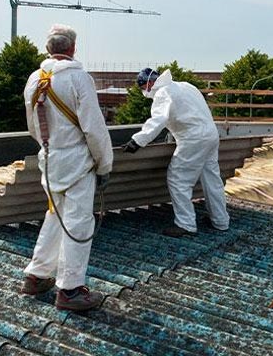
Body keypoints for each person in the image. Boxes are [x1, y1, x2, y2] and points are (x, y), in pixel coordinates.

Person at [20, 24, 113, 311]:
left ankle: (37, 275)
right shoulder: (79, 79)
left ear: (49, 49)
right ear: (72, 48)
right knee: (78, 222)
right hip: (77, 164)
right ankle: (70, 290)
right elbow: (94, 129)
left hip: (50, 161)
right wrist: (104, 164)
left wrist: (53, 149)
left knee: (55, 217)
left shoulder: (34, 79)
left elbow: (33, 127)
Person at [123, 68, 229, 237]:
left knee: (178, 178)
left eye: (142, 87)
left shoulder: (162, 93)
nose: (144, 91)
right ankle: (220, 221)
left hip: (193, 139)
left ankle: (186, 224)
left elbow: (158, 119)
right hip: (211, 135)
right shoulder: (186, 86)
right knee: (212, 179)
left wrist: (138, 140)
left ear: (149, 83)